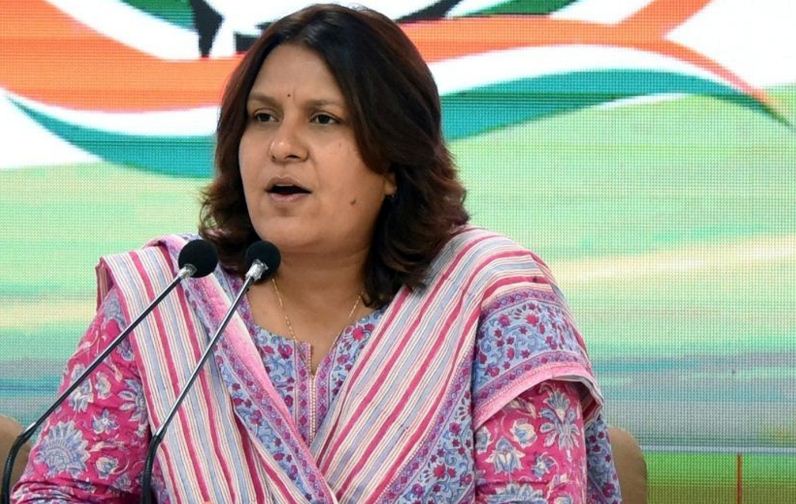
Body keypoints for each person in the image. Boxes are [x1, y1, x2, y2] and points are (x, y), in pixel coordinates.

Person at [12, 4, 621, 502]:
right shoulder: (167, 298)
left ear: (393, 161)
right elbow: (62, 492)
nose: (282, 146)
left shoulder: (493, 300)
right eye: (262, 117)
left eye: (323, 119)